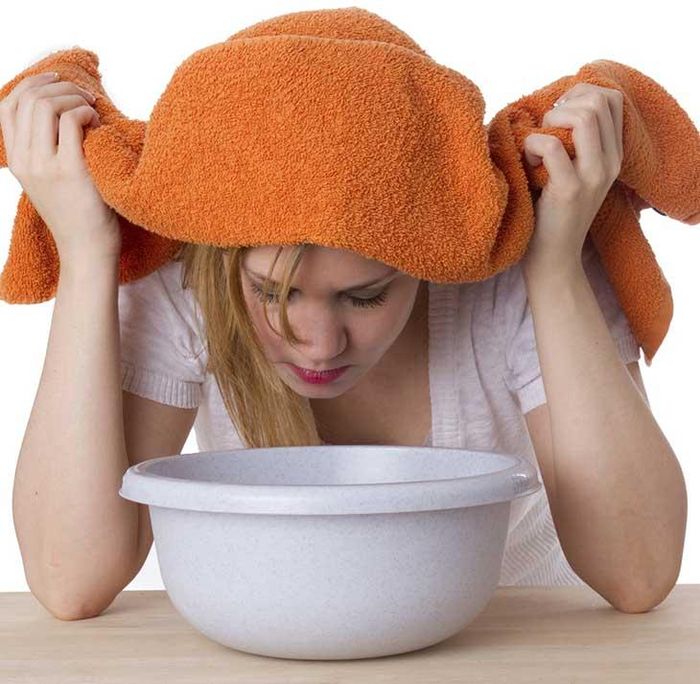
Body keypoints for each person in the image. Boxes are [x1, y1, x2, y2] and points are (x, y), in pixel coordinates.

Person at [4, 71, 643, 621]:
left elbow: (637, 574)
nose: (318, 346)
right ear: (222, 263)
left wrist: (555, 268)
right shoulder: (185, 280)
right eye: (271, 292)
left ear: (430, 261)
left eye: (365, 296)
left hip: (520, 644)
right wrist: (86, 255)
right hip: (264, 641)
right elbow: (70, 581)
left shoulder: (516, 272)